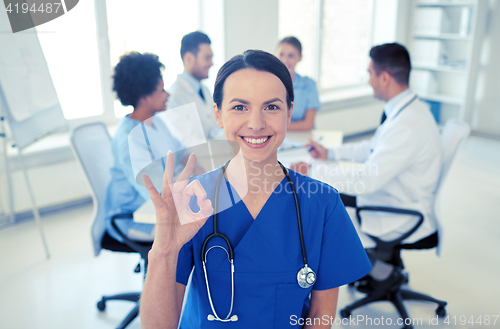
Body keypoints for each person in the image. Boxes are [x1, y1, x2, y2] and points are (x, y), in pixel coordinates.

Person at [140, 50, 372, 329]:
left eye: (272, 107)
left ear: (289, 112)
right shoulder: (194, 200)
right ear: (218, 115)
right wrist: (163, 250)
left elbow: (321, 318)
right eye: (239, 107)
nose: (256, 123)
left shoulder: (323, 205)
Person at [306, 43, 442, 246]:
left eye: (370, 74)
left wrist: (311, 172)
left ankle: (381, 273)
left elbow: (366, 181)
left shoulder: (407, 125)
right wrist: (331, 153)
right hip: (391, 195)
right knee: (328, 195)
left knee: (318, 207)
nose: (368, 81)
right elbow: (373, 147)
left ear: (385, 78)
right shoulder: (409, 110)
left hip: (396, 212)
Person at [104, 51, 187, 243]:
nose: (168, 94)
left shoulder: (155, 122)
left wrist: (195, 168)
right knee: (198, 230)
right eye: (161, 90)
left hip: (163, 205)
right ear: (143, 97)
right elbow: (157, 194)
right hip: (135, 217)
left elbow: (182, 152)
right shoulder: (129, 140)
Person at [166, 31, 222, 146]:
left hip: (214, 157)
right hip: (195, 161)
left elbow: (217, 127)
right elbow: (187, 144)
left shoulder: (205, 90)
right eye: (207, 58)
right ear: (189, 58)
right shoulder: (174, 97)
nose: (211, 63)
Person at [276, 36, 321, 131]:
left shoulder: (309, 85)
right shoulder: (268, 85)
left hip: (302, 138)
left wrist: (277, 128)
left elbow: (308, 124)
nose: (285, 60)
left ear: (300, 57)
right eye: (281, 54)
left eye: (291, 56)